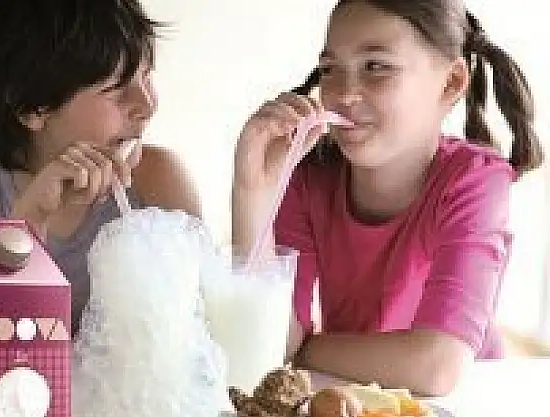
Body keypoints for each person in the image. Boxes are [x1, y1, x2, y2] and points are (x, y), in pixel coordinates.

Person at [232, 0, 542, 396]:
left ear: (450, 83)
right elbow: (267, 341)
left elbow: (436, 367)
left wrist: (304, 349)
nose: (343, 94)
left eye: (376, 66)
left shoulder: (475, 180)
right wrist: (254, 192)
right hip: (352, 396)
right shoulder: (309, 177)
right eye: (330, 69)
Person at [0, 0, 201, 335]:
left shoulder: (160, 184)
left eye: (146, 76)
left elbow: (211, 334)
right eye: (116, 89)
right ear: (32, 107)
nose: (147, 105)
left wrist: (249, 191)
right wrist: (29, 222)